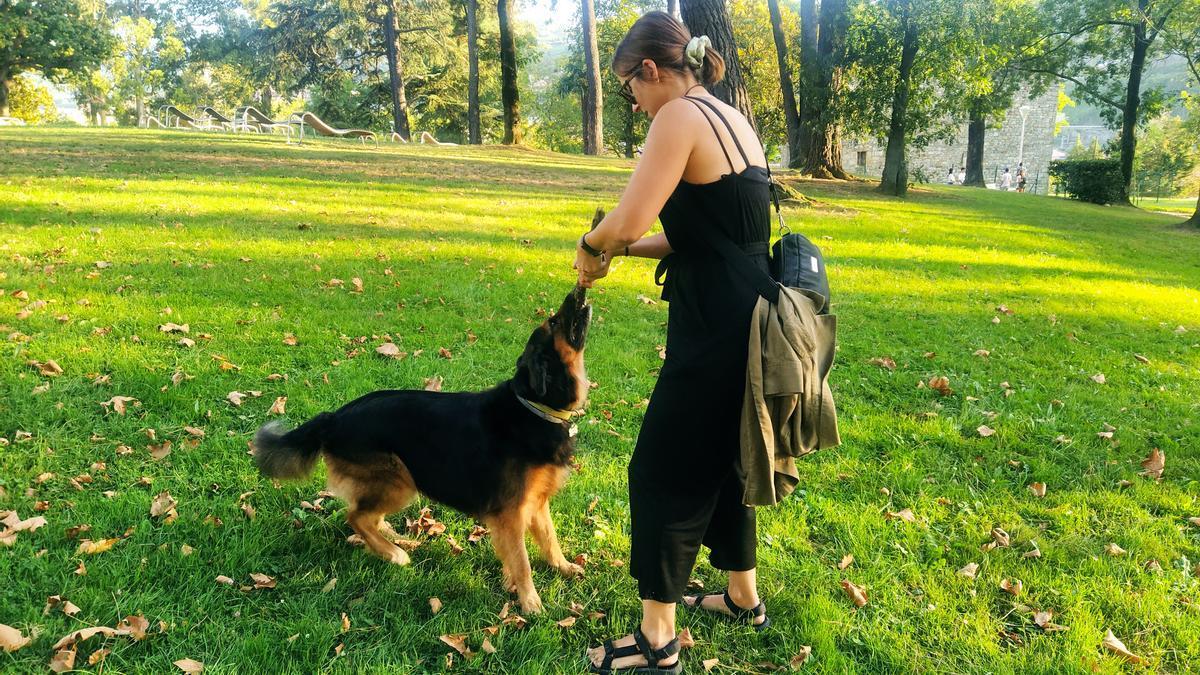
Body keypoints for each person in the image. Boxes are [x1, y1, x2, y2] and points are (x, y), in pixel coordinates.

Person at [572, 11, 772, 674]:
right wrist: (623, 253)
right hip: (753, 309)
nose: (632, 99)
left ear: (651, 70)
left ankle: (656, 641)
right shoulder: (727, 114)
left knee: (663, 466)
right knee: (726, 459)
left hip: (716, 324)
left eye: (630, 85)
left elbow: (628, 216)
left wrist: (591, 246)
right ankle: (742, 596)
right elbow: (709, 233)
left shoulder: (676, 117)